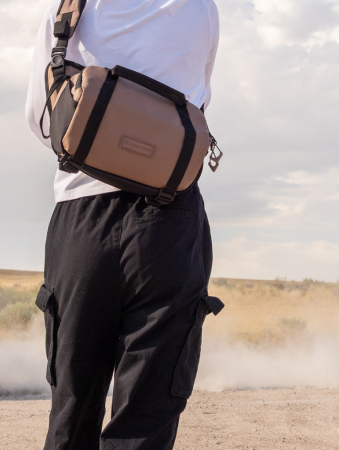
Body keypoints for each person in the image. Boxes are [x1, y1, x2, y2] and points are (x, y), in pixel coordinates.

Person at [23, 1, 220, 449]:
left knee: (72, 405)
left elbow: (42, 117)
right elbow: (197, 101)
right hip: (170, 214)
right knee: (147, 415)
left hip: (82, 212)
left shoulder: (71, 8)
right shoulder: (201, 8)